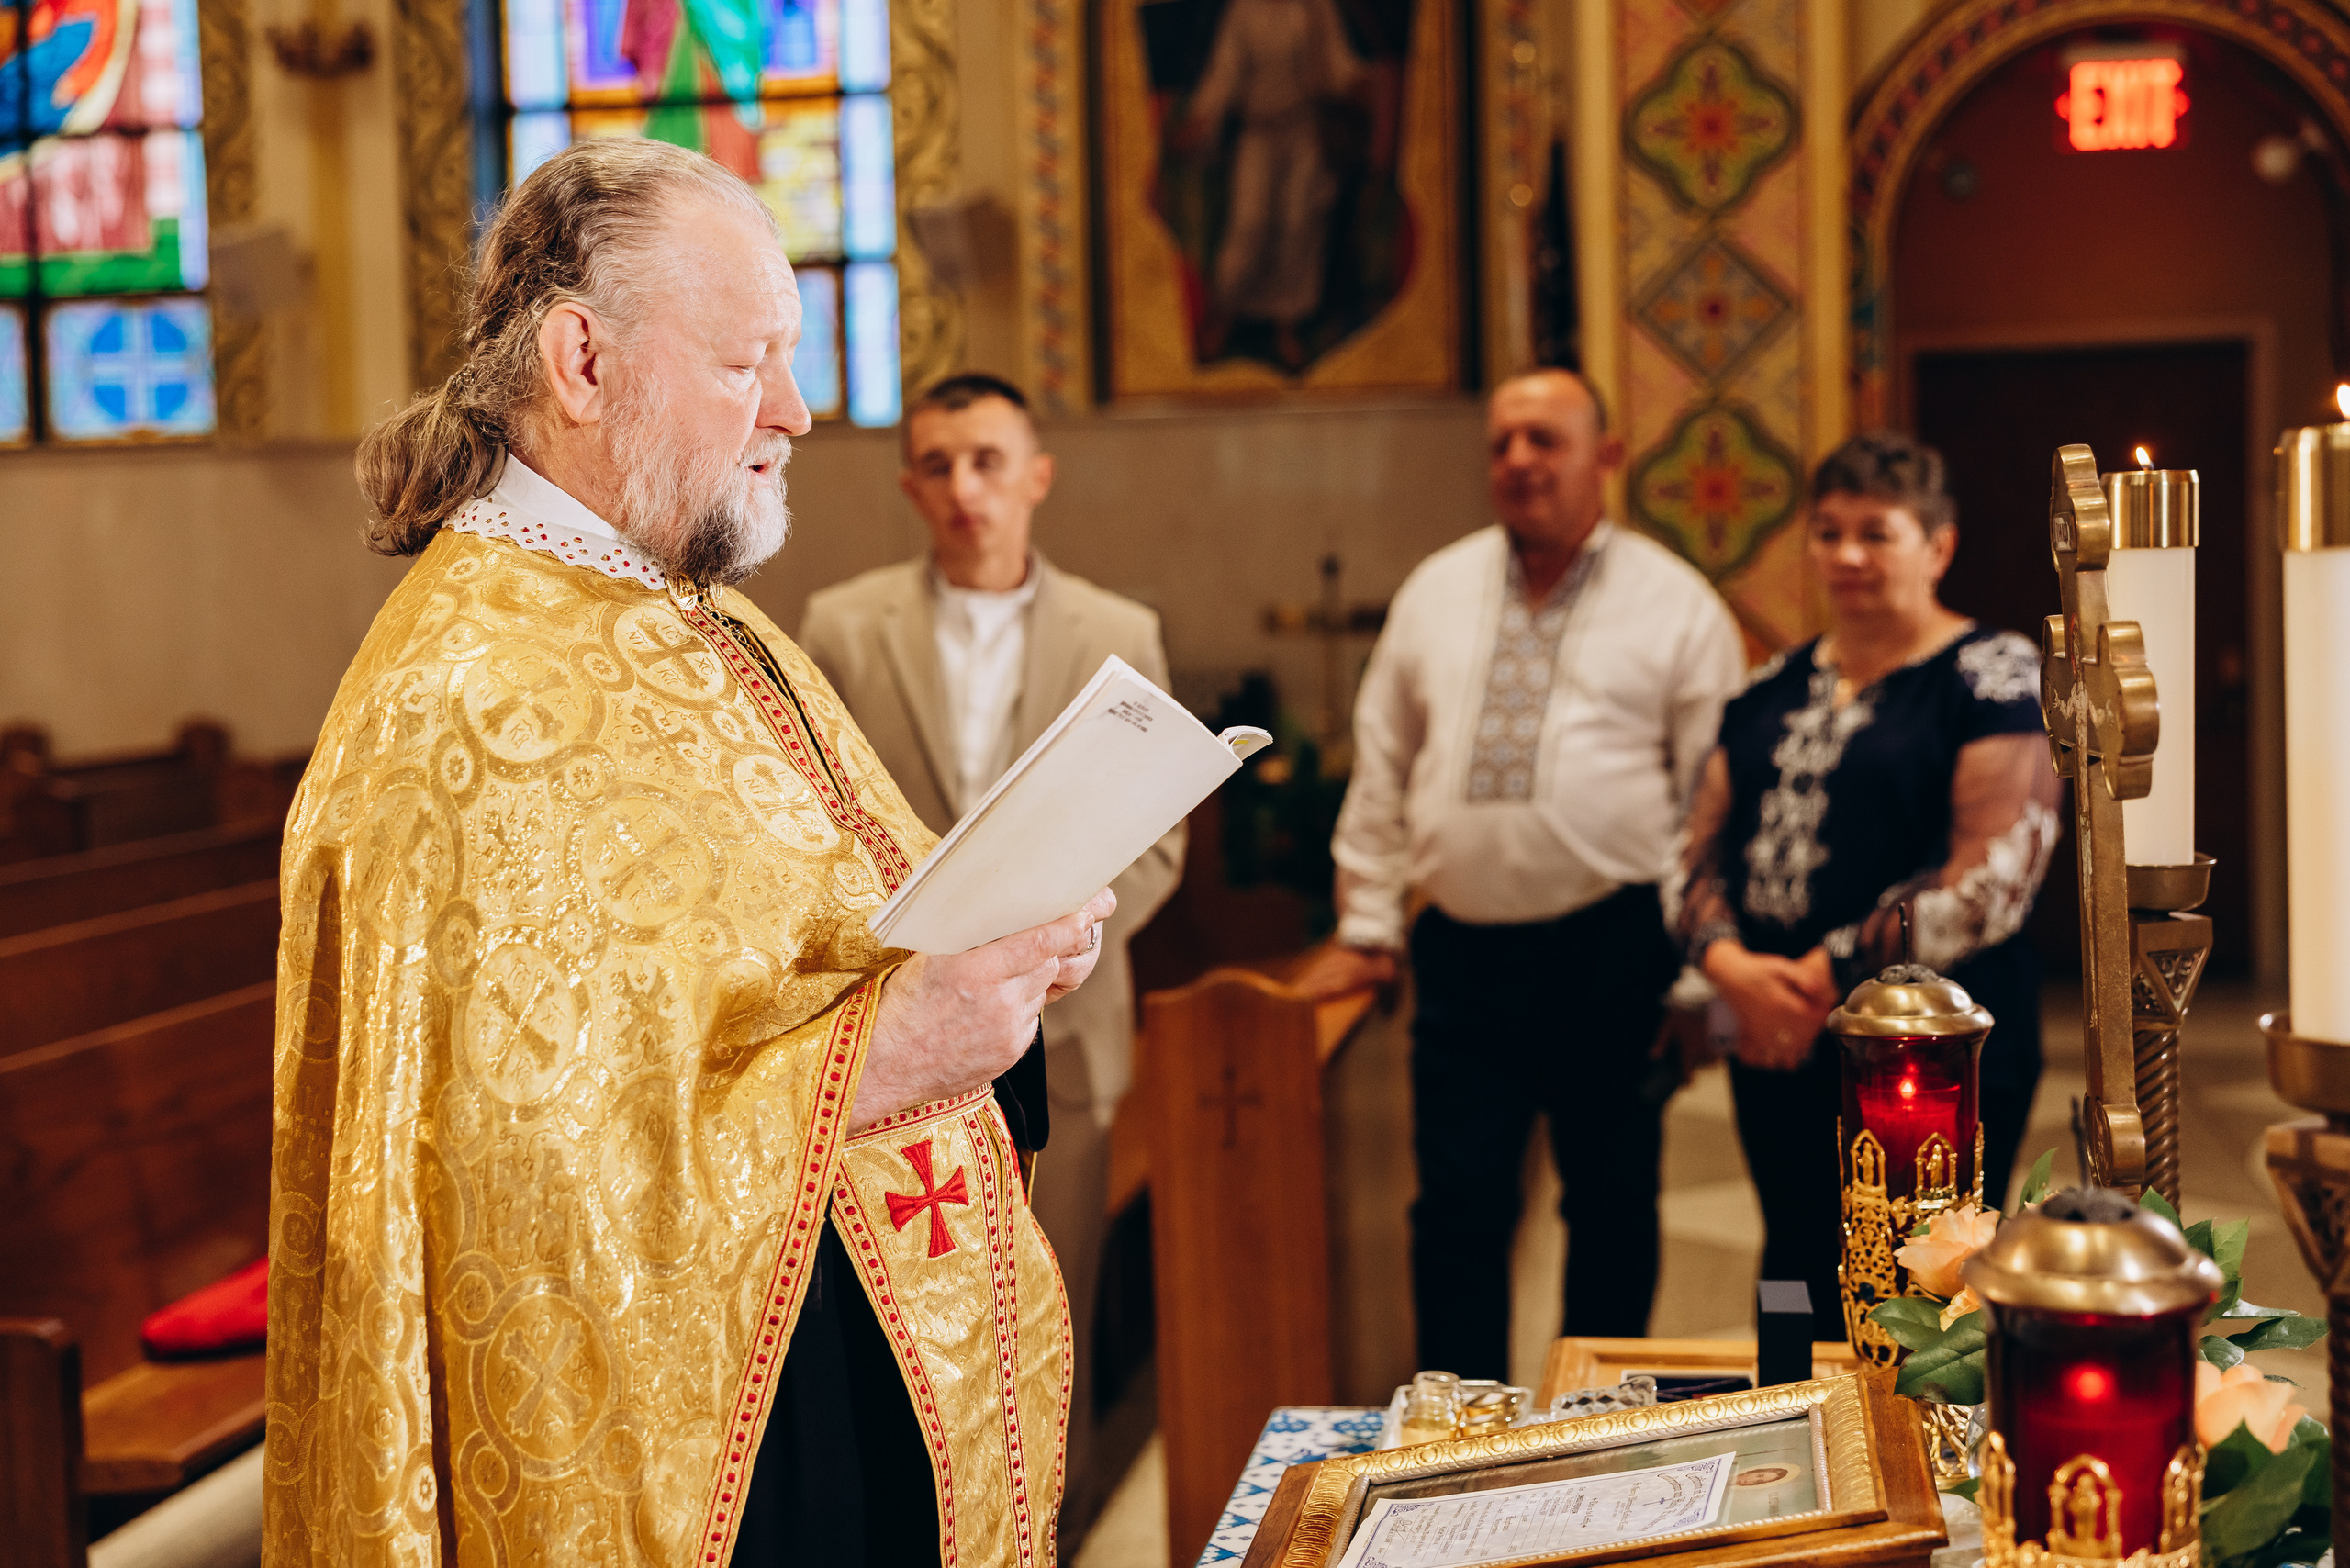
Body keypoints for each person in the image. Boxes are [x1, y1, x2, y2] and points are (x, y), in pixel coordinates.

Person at [267, 139, 1113, 1567]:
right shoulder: (464, 703)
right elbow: (514, 1197)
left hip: (832, 1353)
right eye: (747, 360)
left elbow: (833, 939)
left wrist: (1005, 945)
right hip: (708, 1462)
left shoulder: (690, 616)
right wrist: (891, 1056)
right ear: (581, 361)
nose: (795, 408)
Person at [797, 371, 1183, 1544]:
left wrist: (1050, 949)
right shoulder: (842, 626)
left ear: (1036, 476)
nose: (965, 488)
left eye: (987, 461)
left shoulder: (1119, 632)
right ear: (910, 484)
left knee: (1048, 1303)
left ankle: (1051, 1533)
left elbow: (1159, 837)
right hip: (899, 1026)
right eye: (938, 464)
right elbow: (811, 822)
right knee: (913, 1319)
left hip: (1068, 1024)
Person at [1300, 367, 1746, 1380]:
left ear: (1606, 455)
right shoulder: (1437, 588)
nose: (1517, 461)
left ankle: (1597, 1421)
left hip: (1614, 949)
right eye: (1502, 442)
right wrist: (1368, 924)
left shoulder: (1674, 603)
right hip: (1462, 954)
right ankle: (1464, 1427)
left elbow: (1709, 806)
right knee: (1456, 1207)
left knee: (1610, 1201)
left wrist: (1695, 975)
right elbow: (1382, 762)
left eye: (1545, 440)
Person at [1669, 431, 2060, 1344]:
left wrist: (1825, 975)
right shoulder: (1768, 687)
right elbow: (1690, 854)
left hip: (1932, 1047)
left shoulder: (1992, 677)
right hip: (1774, 1031)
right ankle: (1790, 1410)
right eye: (1828, 532)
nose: (1847, 555)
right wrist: (1729, 968)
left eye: (1876, 533)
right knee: (1792, 1258)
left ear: (1938, 545)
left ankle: (1925, 1441)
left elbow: (1993, 877)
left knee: (1928, 1277)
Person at [1174, 0, 1363, 369]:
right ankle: (1223, 317)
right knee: (1250, 223)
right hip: (1258, 133)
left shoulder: (1315, 8)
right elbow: (1224, 73)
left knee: (1298, 225)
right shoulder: (1242, 12)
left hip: (1304, 131)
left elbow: (1336, 62)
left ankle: (1285, 326)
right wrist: (1202, 118)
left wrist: (1358, 86)